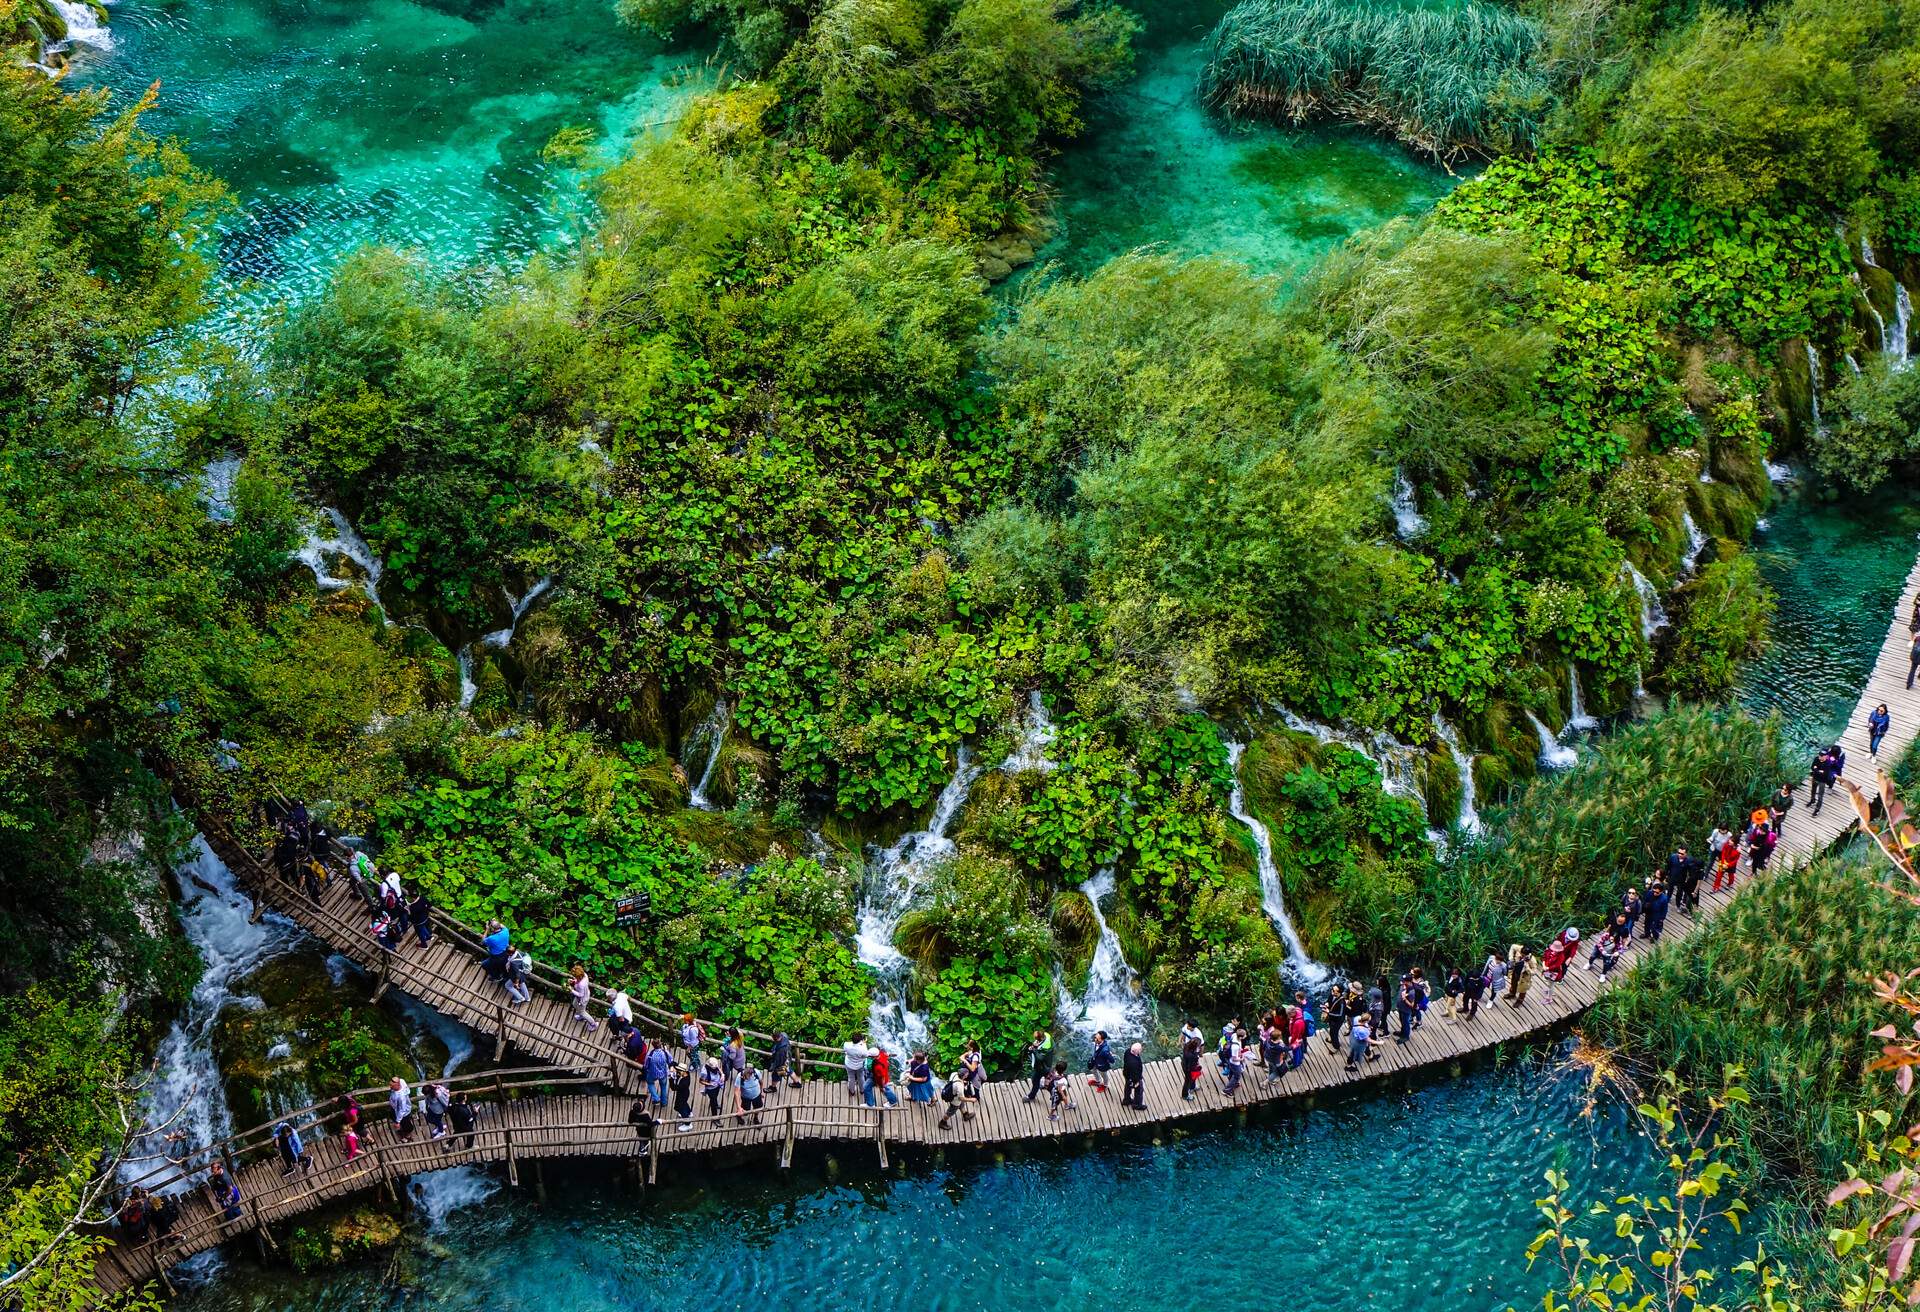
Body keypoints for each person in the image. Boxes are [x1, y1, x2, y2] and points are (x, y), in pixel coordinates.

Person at [1022, 1030, 1053, 1103]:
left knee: (1035, 1081)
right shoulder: (1047, 1035)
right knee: (1049, 1080)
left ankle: (1031, 1096)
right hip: (1047, 1064)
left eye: (1036, 1039)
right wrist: (1034, 1047)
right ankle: (1053, 1093)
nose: (1035, 1040)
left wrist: (1034, 1049)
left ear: (1041, 1038)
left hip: (1041, 1067)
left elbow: (1040, 1058)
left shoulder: (1045, 1047)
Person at [568, 964, 599, 1032]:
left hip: (582, 999)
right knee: (574, 1004)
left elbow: (581, 994)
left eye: (575, 976)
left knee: (582, 1012)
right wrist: (573, 981)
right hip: (585, 995)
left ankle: (593, 1024)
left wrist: (571, 990)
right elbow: (578, 981)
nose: (574, 977)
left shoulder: (581, 985)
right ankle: (581, 1015)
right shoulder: (584, 975)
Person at [842, 1033, 870, 1100]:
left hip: (849, 1064)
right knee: (861, 1077)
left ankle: (852, 1091)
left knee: (851, 1078)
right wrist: (864, 1043)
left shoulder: (846, 1045)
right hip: (859, 1065)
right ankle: (862, 1090)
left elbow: (845, 1051)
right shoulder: (862, 1048)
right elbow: (866, 1055)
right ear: (860, 1040)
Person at [1324, 984, 1350, 1049]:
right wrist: (1327, 1003)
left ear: (1338, 992)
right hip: (1332, 1018)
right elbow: (1328, 1000)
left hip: (1337, 1021)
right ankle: (1331, 1039)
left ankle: (1336, 1046)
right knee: (1331, 1030)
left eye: (1333, 990)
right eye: (1332, 989)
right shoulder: (1332, 995)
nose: (1331, 991)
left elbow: (1340, 1014)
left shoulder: (1341, 1002)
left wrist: (1328, 1012)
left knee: (1334, 1033)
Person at [645, 1042, 672, 1107]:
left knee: (650, 1083)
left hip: (652, 1073)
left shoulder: (650, 1054)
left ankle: (656, 1098)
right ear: (660, 1045)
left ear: (653, 1046)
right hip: (663, 1074)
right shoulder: (665, 1053)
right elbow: (670, 1060)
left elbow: (646, 1065)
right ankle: (664, 1102)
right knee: (663, 1087)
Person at [1122, 1042, 1146, 1111]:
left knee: (1128, 1087)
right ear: (1136, 1051)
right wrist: (1136, 1082)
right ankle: (1137, 1105)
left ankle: (1126, 1100)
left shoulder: (1128, 1051)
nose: (1141, 1051)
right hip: (1133, 1078)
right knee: (1139, 1091)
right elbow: (1135, 1075)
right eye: (1140, 1050)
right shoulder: (1134, 1063)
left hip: (1127, 1074)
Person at [671, 1063, 694, 1132]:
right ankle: (689, 1113)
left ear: (683, 1071)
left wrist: (671, 1078)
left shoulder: (684, 1082)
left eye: (679, 1070)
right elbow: (673, 1063)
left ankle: (688, 1124)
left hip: (682, 1094)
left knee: (680, 1107)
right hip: (685, 1093)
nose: (678, 1071)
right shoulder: (686, 1074)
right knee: (684, 1103)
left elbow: (673, 1088)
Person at [1180, 1036, 1203, 1101]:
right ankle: (1185, 1095)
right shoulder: (1193, 1056)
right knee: (1187, 1081)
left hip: (1184, 1064)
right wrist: (1198, 1068)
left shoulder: (1186, 1046)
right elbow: (1191, 1067)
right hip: (1188, 1069)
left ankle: (1192, 1087)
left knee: (1192, 1078)